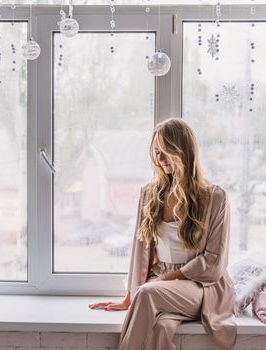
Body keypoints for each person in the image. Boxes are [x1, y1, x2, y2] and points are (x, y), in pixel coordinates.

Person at [88, 118, 236, 350]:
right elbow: (140, 250)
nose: (160, 158)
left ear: (184, 151)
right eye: (156, 151)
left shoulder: (215, 197)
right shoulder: (149, 193)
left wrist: (163, 280)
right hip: (161, 285)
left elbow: (214, 262)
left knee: (147, 294)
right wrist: (130, 295)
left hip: (201, 286)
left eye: (166, 151)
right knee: (159, 330)